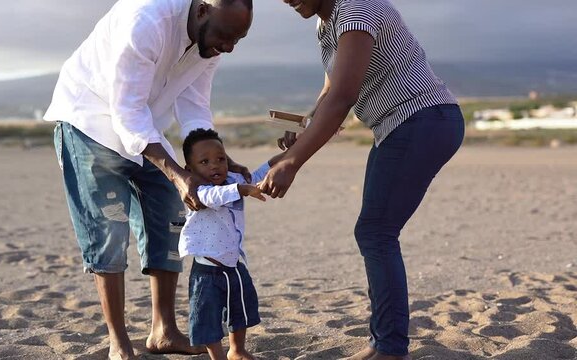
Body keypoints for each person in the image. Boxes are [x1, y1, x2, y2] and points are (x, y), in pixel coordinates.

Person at [43, 0, 253, 358]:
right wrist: (176, 172)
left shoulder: (212, 41)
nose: (229, 47)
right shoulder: (147, 21)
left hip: (148, 128)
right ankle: (118, 341)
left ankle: (163, 331)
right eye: (225, 36)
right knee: (108, 231)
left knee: (170, 219)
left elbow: (194, 104)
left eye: (238, 39)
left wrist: (213, 156)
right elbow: (126, 112)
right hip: (91, 122)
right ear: (202, 10)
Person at [261, 0, 466, 359]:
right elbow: (329, 92)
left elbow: (344, 96)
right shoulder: (327, 24)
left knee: (375, 232)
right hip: (400, 126)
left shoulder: (356, 8)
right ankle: (383, 343)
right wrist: (303, 130)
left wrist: (294, 162)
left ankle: (389, 347)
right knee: (374, 232)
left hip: (421, 119)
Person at [178, 128, 284, 360]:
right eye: (204, 162)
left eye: (220, 159)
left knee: (241, 309)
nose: (214, 166)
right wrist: (240, 189)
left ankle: (237, 350)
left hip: (234, 264)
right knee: (207, 316)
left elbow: (257, 177)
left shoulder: (233, 180)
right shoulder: (196, 190)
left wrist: (285, 156)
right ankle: (217, 356)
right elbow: (214, 197)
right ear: (190, 170)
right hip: (207, 269)